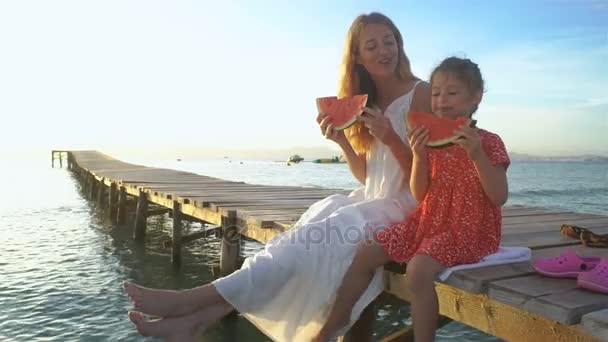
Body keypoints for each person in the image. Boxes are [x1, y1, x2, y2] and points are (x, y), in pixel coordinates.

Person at [123, 12, 431, 342]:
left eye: (390, 41)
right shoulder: (367, 101)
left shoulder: (422, 93)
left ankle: (192, 303)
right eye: (372, 45)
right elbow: (369, 176)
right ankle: (200, 317)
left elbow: (430, 176)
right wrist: (342, 140)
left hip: (411, 207)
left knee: (322, 237)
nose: (385, 50)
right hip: (373, 200)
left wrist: (391, 138)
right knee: (302, 233)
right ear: (357, 56)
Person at [313, 56, 511, 342]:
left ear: (475, 96)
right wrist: (418, 155)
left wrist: (477, 155)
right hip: (427, 223)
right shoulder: (429, 140)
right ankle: (336, 321)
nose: (442, 100)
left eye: (452, 93)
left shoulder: (489, 142)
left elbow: (499, 196)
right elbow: (420, 192)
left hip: (467, 231)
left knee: (418, 269)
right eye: (436, 93)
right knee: (366, 252)